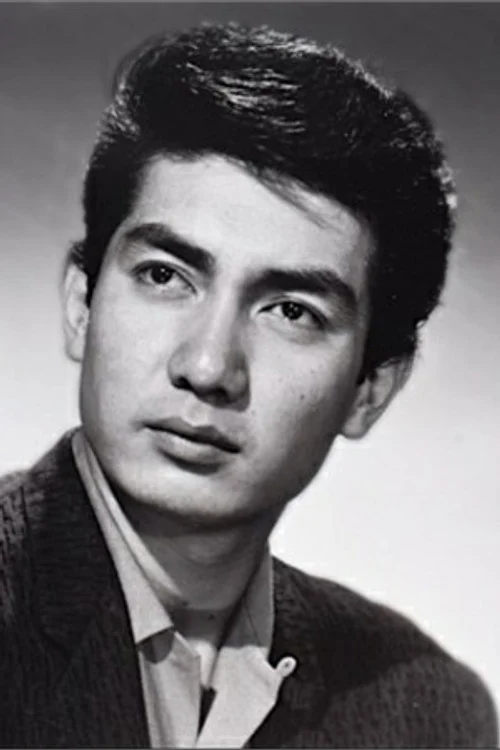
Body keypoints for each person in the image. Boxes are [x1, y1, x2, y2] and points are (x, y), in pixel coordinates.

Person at [0, 21, 496, 748]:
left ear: (370, 389)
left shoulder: (428, 715)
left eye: (291, 311)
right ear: (82, 304)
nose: (208, 368)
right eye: (165, 275)